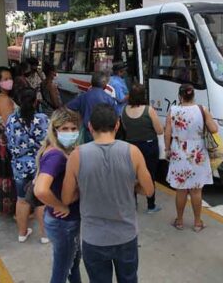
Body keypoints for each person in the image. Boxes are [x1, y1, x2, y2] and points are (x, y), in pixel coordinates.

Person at [62, 103, 154, 283]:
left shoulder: (77, 155)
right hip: (126, 235)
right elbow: (149, 190)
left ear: (89, 126)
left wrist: (87, 188)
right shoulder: (132, 152)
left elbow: (66, 197)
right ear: (117, 125)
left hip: (94, 238)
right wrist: (131, 186)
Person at [34, 108, 81, 283]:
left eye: (73, 128)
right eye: (64, 129)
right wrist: (60, 205)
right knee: (61, 272)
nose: (70, 133)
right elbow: (40, 189)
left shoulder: (57, 149)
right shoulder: (56, 156)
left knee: (72, 264)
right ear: (55, 130)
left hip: (64, 222)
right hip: (64, 223)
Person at [164, 83, 218, 231]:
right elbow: (214, 129)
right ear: (193, 95)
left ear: (180, 96)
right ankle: (197, 222)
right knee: (196, 190)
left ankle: (180, 221)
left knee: (181, 190)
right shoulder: (202, 109)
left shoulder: (173, 110)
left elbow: (167, 132)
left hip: (179, 151)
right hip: (197, 153)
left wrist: (167, 149)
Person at [6, 87, 49, 243]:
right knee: (40, 200)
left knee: (22, 199)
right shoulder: (43, 119)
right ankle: (45, 235)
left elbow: (10, 143)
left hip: (19, 166)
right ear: (35, 101)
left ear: (18, 101)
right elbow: (50, 142)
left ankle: (22, 233)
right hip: (40, 166)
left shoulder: (11, 119)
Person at [121, 84, 164, 213]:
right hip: (148, 146)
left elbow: (124, 128)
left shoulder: (124, 110)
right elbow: (159, 130)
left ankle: (133, 204)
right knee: (150, 174)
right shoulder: (148, 110)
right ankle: (151, 205)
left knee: (132, 175)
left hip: (131, 146)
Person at [67, 71, 120, 143]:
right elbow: (117, 115)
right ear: (104, 83)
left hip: (87, 132)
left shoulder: (84, 96)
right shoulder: (108, 99)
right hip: (104, 132)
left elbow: (68, 107)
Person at [0, 67, 17, 215]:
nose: (8, 81)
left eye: (10, 78)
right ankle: (10, 207)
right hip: (6, 145)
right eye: (5, 79)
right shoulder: (4, 99)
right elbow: (8, 125)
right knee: (7, 175)